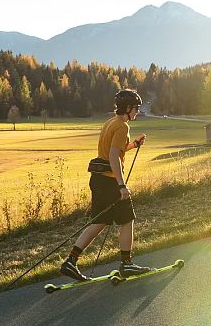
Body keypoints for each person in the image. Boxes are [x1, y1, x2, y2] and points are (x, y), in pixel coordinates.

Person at [59, 89, 150, 281]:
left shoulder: (111, 122)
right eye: (136, 108)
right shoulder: (122, 126)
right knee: (127, 219)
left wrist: (134, 144)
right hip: (110, 181)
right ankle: (127, 264)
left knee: (99, 222)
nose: (137, 112)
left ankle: (70, 261)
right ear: (127, 108)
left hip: (98, 179)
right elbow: (113, 156)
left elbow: (116, 148)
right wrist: (121, 185)